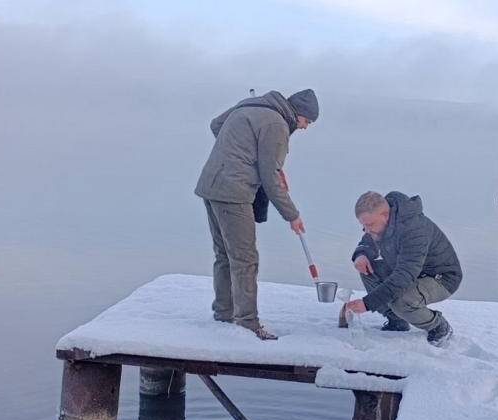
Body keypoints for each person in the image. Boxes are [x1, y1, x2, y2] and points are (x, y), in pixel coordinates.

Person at [195, 89, 319, 340]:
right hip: (234, 192)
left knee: (224, 255)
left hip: (211, 185)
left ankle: (224, 312)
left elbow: (216, 124)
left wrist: (239, 149)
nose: (305, 128)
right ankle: (248, 323)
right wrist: (292, 215)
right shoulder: (278, 125)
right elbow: (271, 179)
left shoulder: (250, 104)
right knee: (245, 259)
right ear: (298, 114)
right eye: (307, 122)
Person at [344, 191, 462, 348]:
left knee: (402, 301)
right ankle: (397, 320)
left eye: (369, 225)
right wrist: (361, 254)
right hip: (414, 271)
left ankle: (439, 326)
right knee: (367, 268)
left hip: (442, 278)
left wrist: (367, 303)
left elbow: (403, 276)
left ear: (385, 215)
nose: (366, 230)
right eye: (363, 225)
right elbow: (368, 240)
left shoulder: (414, 230)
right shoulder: (383, 223)